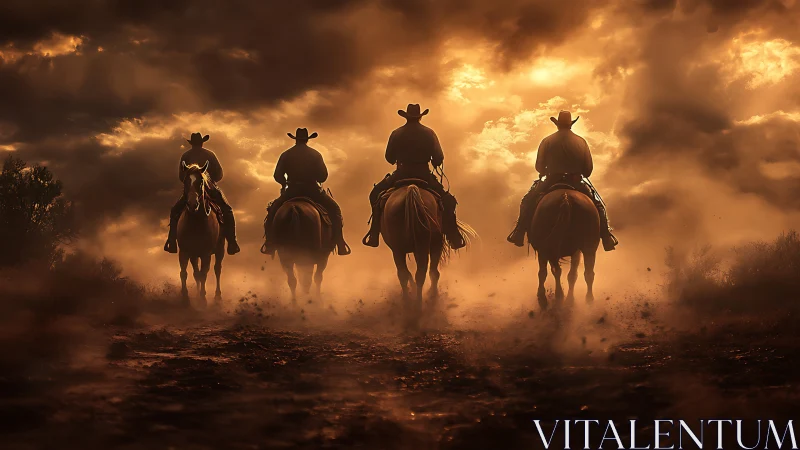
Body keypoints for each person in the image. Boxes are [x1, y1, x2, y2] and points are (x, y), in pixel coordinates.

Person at [507, 110, 619, 251]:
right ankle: (606, 236)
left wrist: (545, 170)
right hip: (575, 182)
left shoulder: (547, 140)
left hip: (552, 181)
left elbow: (539, 166)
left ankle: (519, 232)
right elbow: (588, 170)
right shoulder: (581, 141)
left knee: (527, 201)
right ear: (571, 125)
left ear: (557, 125)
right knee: (598, 205)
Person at [363, 104, 465, 249]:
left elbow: (389, 158)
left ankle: (374, 233)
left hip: (400, 174)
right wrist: (434, 161)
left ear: (406, 116)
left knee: (375, 195)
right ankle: (453, 237)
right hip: (423, 174)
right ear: (420, 116)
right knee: (449, 201)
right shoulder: (429, 133)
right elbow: (438, 157)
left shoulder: (396, 133)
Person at [262, 128, 351, 256]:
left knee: (273, 210)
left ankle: (269, 243)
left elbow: (277, 175)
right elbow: (323, 177)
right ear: (307, 139)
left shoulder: (286, 154)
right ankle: (340, 242)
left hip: (292, 190)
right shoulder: (315, 154)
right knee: (335, 209)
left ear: (295, 139)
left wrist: (283, 183)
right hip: (312, 191)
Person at [164, 132, 240, 255]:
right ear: (202, 142)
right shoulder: (210, 154)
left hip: (190, 190)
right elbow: (220, 173)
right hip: (210, 188)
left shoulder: (186, 155)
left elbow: (181, 176)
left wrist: (190, 185)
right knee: (227, 210)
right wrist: (210, 181)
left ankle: (172, 241)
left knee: (175, 211)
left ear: (191, 143)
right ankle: (232, 242)